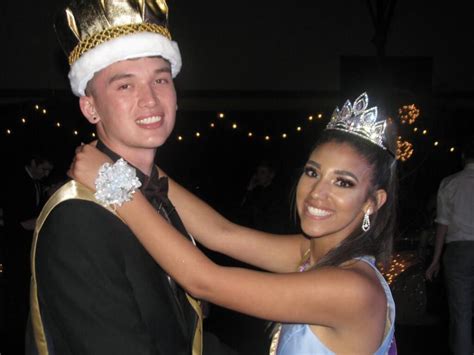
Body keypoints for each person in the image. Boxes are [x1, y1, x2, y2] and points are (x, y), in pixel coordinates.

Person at [70, 92, 399, 354]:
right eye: (312, 172)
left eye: (343, 182)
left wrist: (110, 180)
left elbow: (205, 281)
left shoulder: (352, 289)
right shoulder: (313, 253)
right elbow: (221, 233)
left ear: (374, 201)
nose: (317, 193)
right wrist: (134, 164)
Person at [26, 1, 203, 354]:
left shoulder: (153, 190)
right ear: (90, 107)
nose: (150, 99)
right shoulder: (79, 218)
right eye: (125, 86)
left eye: (160, 79)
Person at [425, 139, 474, 355]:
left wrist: (435, 260)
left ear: (464, 158)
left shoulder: (450, 183)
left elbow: (442, 224)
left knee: (461, 314)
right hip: (459, 251)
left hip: (458, 251)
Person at [2, 152, 53, 353]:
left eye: (49, 170)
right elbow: (20, 222)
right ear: (33, 162)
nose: (46, 173)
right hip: (14, 248)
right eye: (43, 169)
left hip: (26, 248)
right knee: (16, 297)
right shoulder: (16, 182)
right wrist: (48, 216)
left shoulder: (37, 184)